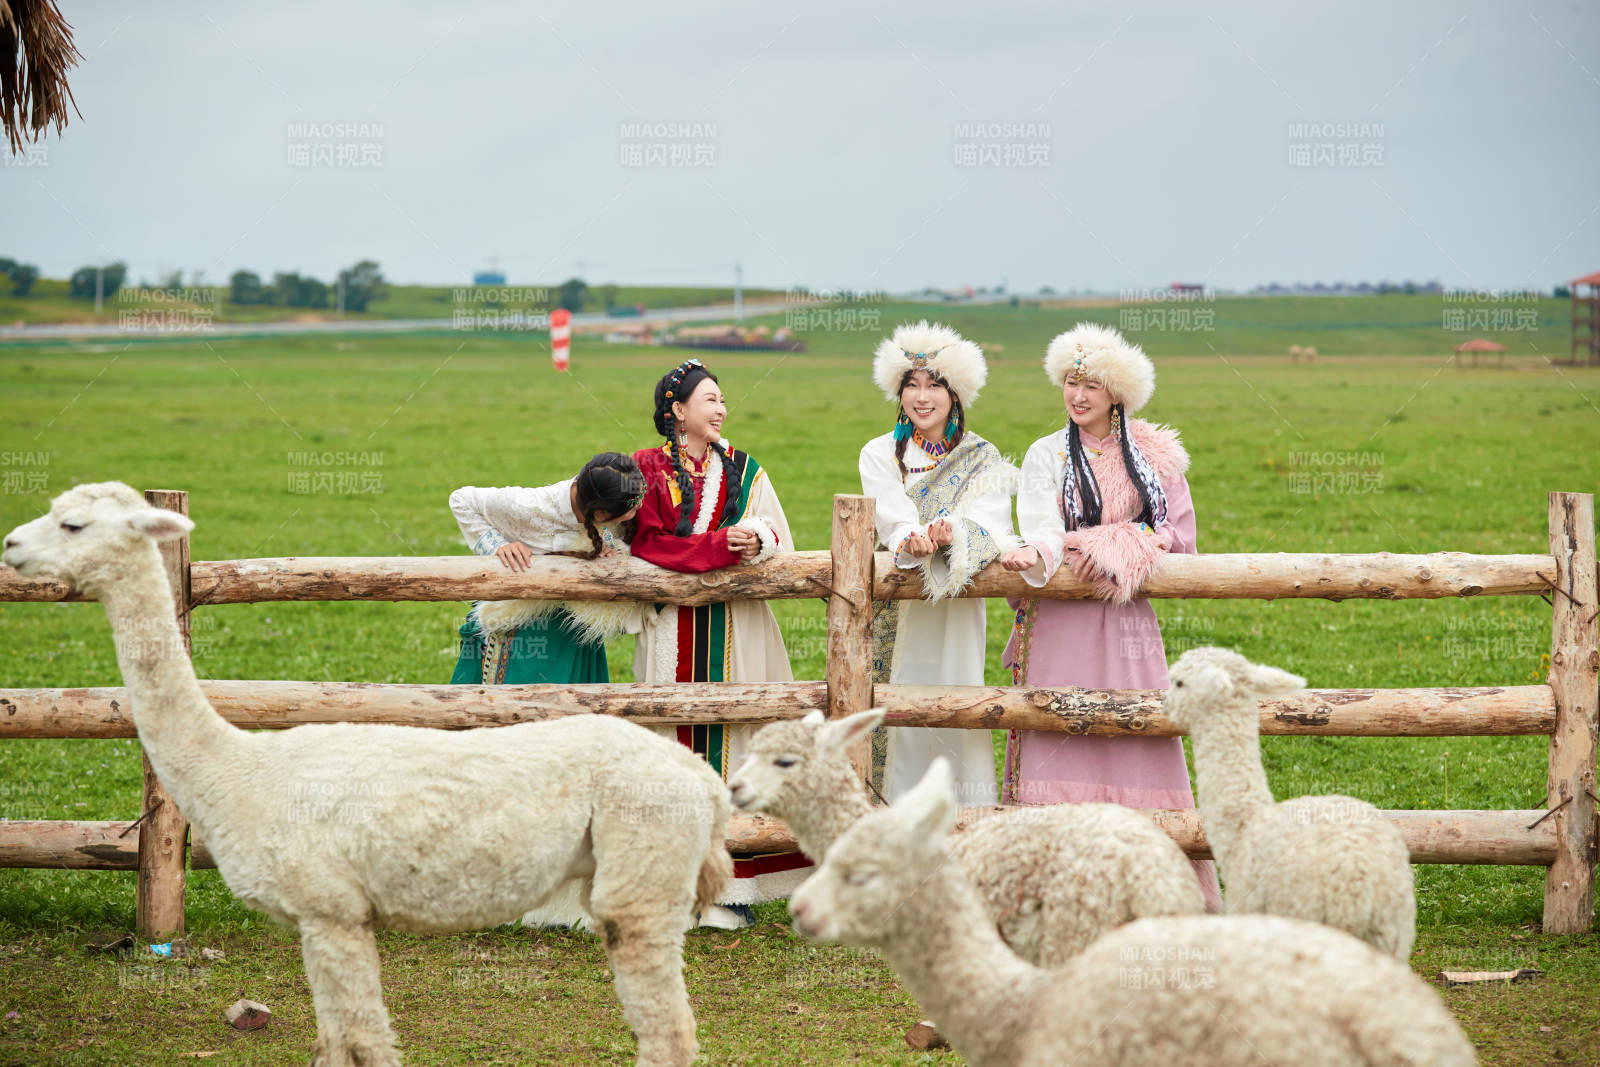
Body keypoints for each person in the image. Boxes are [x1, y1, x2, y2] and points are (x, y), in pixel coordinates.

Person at [999, 322, 1222, 910]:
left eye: (1091, 385)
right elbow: (1042, 529)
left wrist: (1107, 546)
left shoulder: (1156, 457)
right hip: (1059, 619)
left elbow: (1177, 539)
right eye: (1070, 383)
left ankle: (1154, 887)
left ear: (1117, 392)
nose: (1078, 396)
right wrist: (1088, 547)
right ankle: (1052, 891)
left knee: (1137, 729)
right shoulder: (1047, 454)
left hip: (1127, 625)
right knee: (1057, 725)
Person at [630, 358, 801, 927]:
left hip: (736, 624)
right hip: (672, 629)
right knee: (671, 746)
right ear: (678, 411)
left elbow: (780, 536)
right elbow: (647, 544)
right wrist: (717, 547)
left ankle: (733, 885)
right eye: (710, 399)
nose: (722, 408)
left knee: (738, 733)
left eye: (723, 399)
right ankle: (676, 884)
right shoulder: (648, 468)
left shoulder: (746, 470)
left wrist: (757, 541)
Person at [858, 321, 1019, 805]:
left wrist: (955, 536)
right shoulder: (879, 452)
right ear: (899, 391)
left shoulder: (982, 456)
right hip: (897, 602)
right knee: (895, 705)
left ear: (955, 394)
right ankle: (892, 816)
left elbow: (992, 521)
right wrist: (914, 538)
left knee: (955, 700)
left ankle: (961, 819)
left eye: (934, 386)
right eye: (912, 385)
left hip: (956, 604)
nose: (922, 397)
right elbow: (891, 516)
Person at [448, 452, 645, 686]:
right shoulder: (529, 505)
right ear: (601, 513)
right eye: (632, 508)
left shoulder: (599, 492)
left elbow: (607, 532)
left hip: (573, 627)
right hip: (522, 626)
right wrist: (497, 546)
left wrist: (611, 547)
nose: (640, 508)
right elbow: (461, 500)